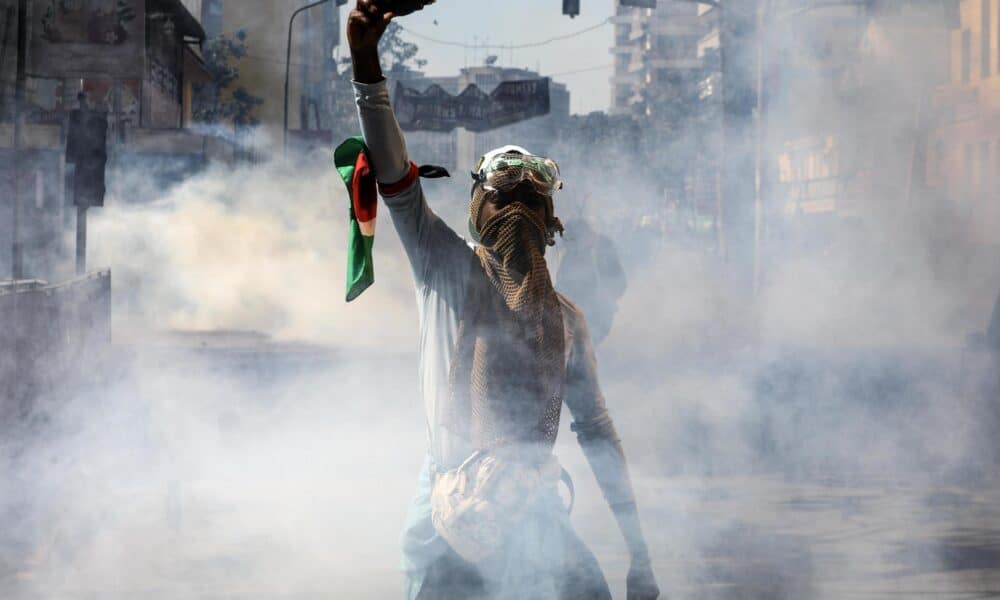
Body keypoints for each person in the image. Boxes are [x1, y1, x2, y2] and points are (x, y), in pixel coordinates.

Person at [347, 2, 659, 598]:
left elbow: (597, 433)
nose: (514, 206)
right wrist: (366, 63)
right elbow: (393, 176)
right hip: (445, 507)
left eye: (530, 199)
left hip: (531, 508)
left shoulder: (565, 321)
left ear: (552, 223)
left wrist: (639, 552)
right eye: (500, 195)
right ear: (475, 212)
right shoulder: (446, 268)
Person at [555, 218, 627, 346]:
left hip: (599, 317)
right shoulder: (571, 255)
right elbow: (561, 285)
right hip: (575, 315)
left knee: (584, 351)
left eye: (574, 241)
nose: (571, 247)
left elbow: (620, 284)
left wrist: (604, 300)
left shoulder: (603, 250)